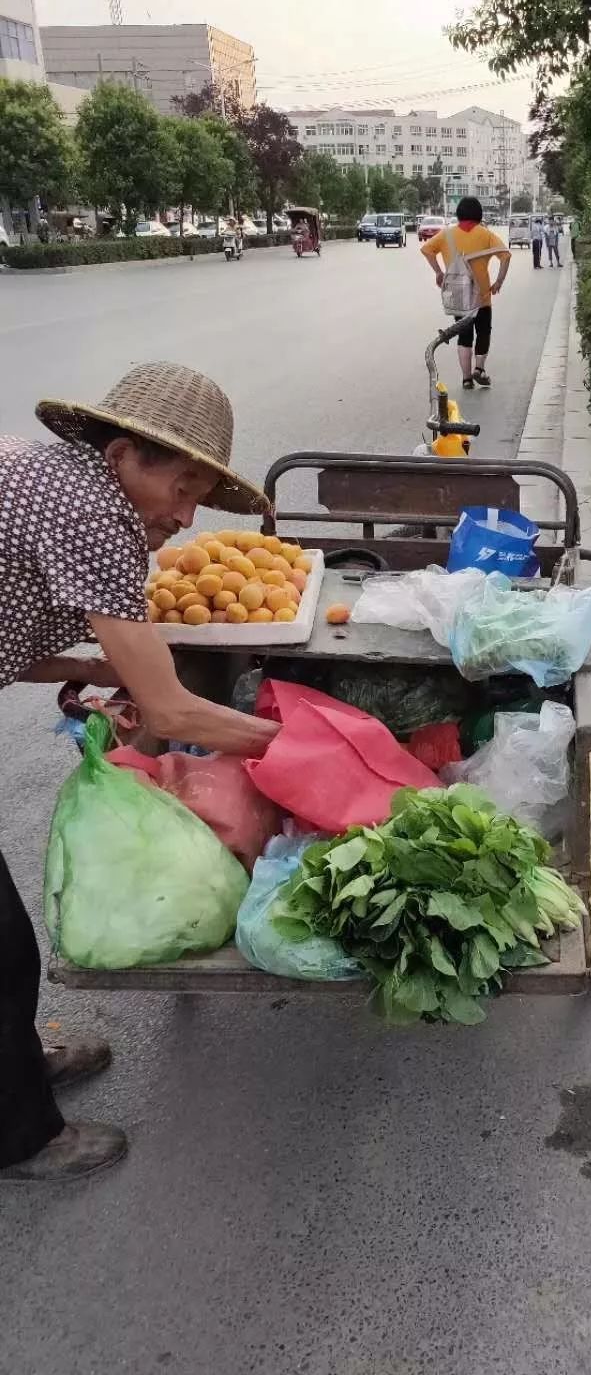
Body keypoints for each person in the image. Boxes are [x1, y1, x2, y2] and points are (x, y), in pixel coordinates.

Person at [0, 362, 280, 1184]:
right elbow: (172, 715)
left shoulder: (48, 474)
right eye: (181, 490)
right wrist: (288, 743)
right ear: (124, 454)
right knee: (0, 946)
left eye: (198, 498)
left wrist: (85, 669)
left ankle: (19, 1069)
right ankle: (19, 1136)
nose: (185, 517)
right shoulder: (94, 513)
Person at [421, 197, 511, 391]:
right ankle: (479, 368)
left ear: (459, 214)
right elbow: (506, 256)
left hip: (459, 296)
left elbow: (426, 250)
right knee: (483, 331)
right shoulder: (486, 235)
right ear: (479, 215)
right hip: (483, 296)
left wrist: (439, 272)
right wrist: (499, 282)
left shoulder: (447, 235)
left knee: (464, 335)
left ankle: (466, 379)